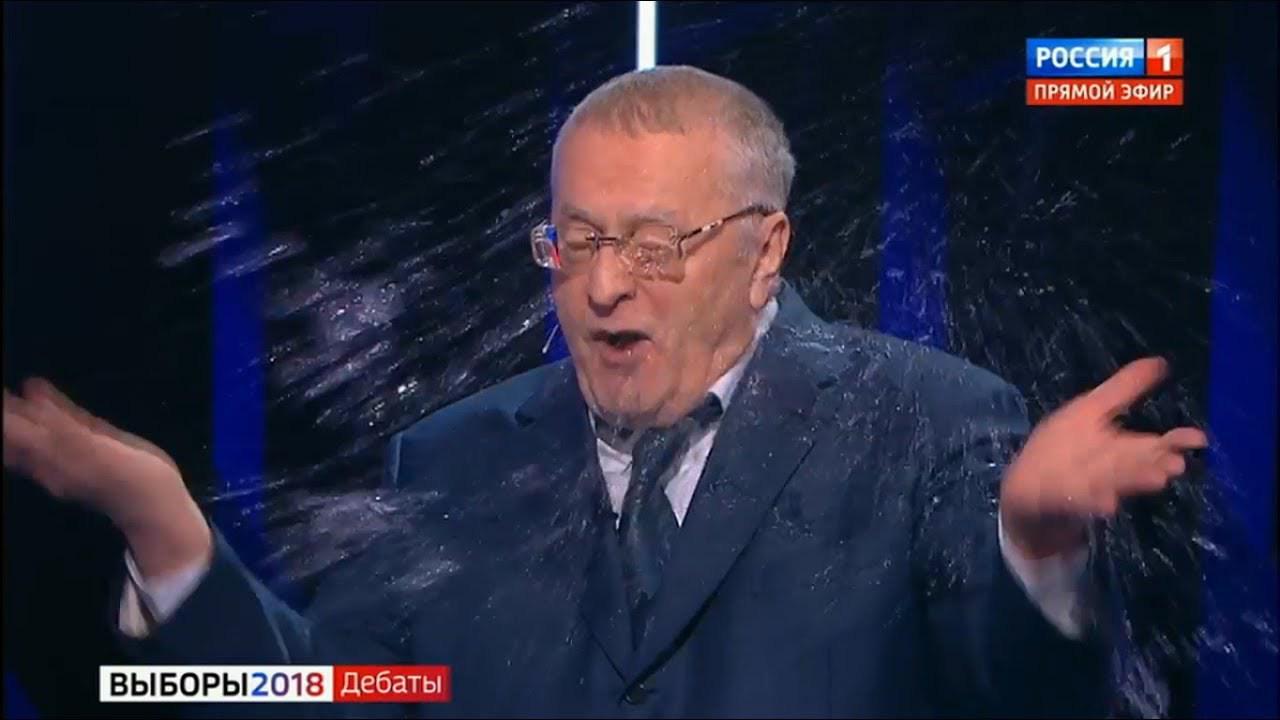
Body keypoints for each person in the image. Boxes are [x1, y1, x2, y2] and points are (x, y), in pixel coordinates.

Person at [2, 65, 1208, 718]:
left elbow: (1026, 707)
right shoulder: (455, 461)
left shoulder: (928, 423)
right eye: (574, 241)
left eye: (652, 244)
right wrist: (165, 532)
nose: (602, 286)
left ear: (765, 251)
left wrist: (1036, 548)